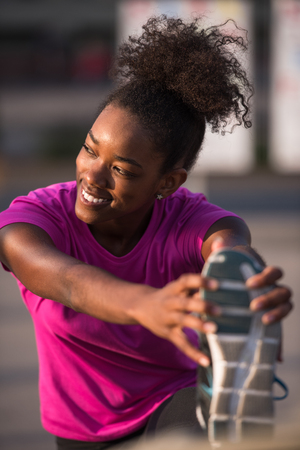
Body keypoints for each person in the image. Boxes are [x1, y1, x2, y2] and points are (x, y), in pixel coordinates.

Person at [0, 15, 292, 450]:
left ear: (167, 183)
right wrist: (145, 304)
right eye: (88, 149)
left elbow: (226, 244)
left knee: (205, 433)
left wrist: (244, 284)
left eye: (121, 169)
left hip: (171, 401)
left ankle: (224, 414)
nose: (92, 176)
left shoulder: (190, 220)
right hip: (82, 429)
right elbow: (66, 281)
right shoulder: (32, 221)